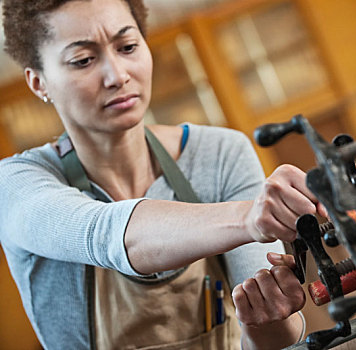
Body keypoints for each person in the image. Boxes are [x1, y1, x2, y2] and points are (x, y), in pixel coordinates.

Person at [0, 0, 326, 349]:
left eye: (128, 47)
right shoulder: (17, 183)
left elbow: (276, 337)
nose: (117, 75)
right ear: (39, 83)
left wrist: (264, 319)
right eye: (83, 60)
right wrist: (248, 218)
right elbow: (106, 234)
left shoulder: (220, 154)